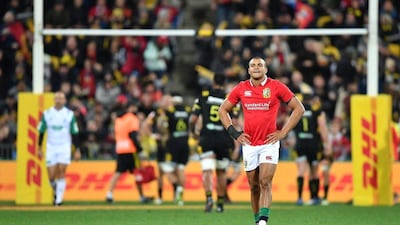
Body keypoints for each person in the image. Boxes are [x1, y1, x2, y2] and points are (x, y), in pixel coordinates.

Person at [218, 57, 305, 225]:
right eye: (253, 65)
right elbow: (223, 110)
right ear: (248, 70)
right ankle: (257, 220)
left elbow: (299, 109)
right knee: (254, 186)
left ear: (266, 70)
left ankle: (263, 222)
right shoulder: (241, 88)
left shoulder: (276, 86)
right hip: (249, 144)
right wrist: (234, 133)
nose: (256, 67)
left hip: (269, 143)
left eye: (260, 65)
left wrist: (283, 132)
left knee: (265, 182)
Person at [189, 74, 239, 213]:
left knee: (207, 169)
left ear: (213, 82)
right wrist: (235, 143)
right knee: (221, 172)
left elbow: (193, 119)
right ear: (224, 83)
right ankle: (220, 204)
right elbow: (234, 123)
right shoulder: (230, 99)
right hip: (223, 139)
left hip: (207, 138)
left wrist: (193, 132)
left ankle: (209, 199)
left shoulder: (204, 96)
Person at [37, 91, 81, 206]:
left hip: (64, 146)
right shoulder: (47, 114)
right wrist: (39, 147)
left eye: (61, 98)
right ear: (54, 100)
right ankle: (56, 190)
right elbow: (41, 131)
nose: (59, 100)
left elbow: (75, 133)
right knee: (51, 176)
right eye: (57, 98)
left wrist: (77, 150)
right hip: (51, 146)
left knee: (61, 171)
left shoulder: (69, 114)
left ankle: (59, 200)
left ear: (65, 101)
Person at [105, 100, 153, 204]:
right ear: (131, 107)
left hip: (120, 148)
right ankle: (141, 196)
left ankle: (109, 193)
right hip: (130, 149)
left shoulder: (119, 119)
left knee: (118, 172)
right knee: (137, 173)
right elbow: (133, 135)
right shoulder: (132, 118)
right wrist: (140, 150)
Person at [293, 93, 330, 206]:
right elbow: (322, 127)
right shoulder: (316, 111)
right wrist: (327, 144)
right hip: (313, 144)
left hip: (300, 143)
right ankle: (314, 197)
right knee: (314, 171)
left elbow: (289, 123)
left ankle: (299, 198)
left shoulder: (298, 110)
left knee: (301, 170)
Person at [157, 93, 191, 206]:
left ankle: (177, 187)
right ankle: (180, 193)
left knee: (165, 168)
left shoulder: (169, 111)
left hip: (173, 143)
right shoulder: (187, 110)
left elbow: (162, 125)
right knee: (181, 168)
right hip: (185, 142)